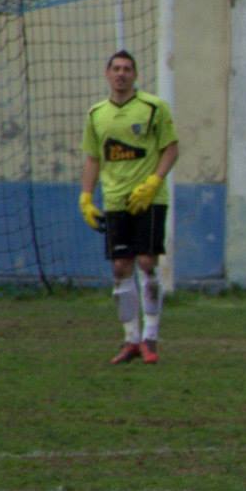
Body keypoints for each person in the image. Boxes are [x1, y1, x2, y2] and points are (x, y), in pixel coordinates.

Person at [78, 50, 178, 364]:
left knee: (147, 261)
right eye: (116, 69)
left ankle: (151, 337)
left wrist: (153, 182)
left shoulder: (153, 108)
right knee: (121, 267)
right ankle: (130, 339)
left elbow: (171, 149)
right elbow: (94, 158)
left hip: (148, 199)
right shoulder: (96, 114)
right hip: (116, 200)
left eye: (127, 69)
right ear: (107, 74)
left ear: (135, 75)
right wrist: (86, 197)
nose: (121, 74)